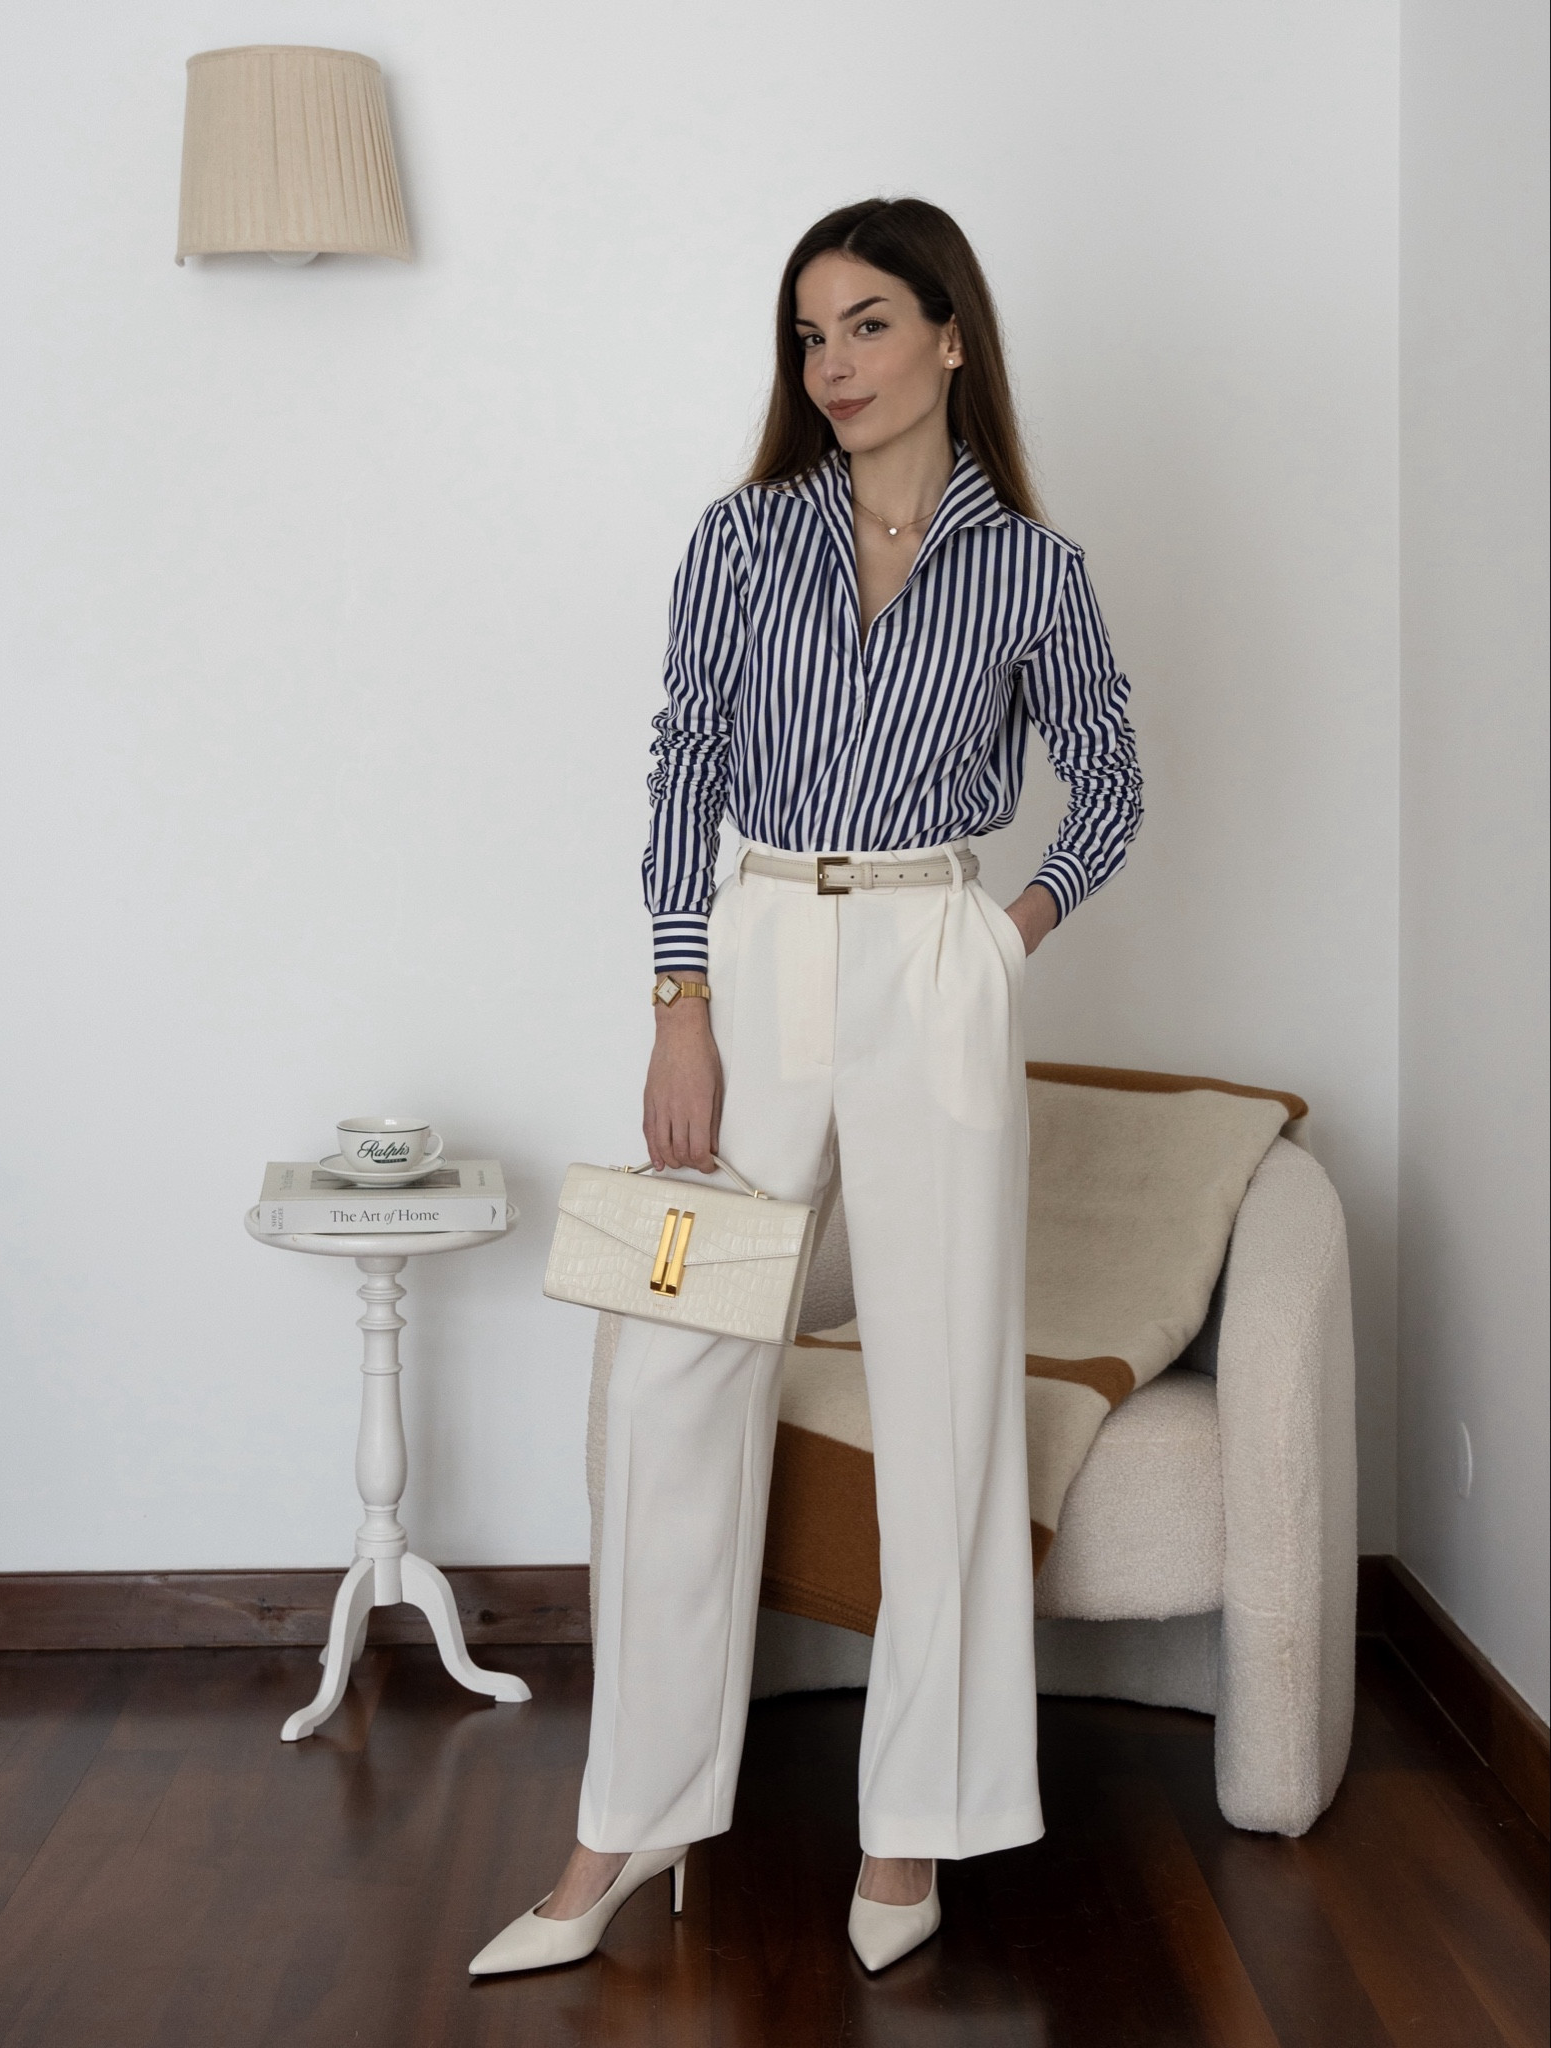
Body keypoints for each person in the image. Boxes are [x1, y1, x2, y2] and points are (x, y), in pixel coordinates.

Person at [472, 196, 1142, 1978]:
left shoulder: (1032, 572)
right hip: (752, 954)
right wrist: (675, 998)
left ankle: (913, 1824)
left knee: (941, 1393)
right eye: (805, 336)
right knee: (674, 1373)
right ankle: (627, 1819)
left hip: (931, 962)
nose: (828, 366)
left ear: (947, 339)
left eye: (861, 326)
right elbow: (681, 756)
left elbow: (1115, 786)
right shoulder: (742, 537)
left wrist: (1002, 937)